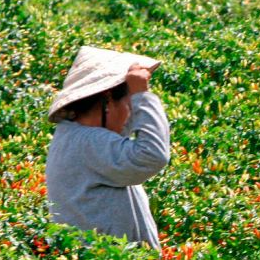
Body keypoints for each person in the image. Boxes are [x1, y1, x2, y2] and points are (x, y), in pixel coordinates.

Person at [45, 46, 170, 249]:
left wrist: (135, 95)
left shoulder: (73, 135)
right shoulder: (89, 143)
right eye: (129, 104)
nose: (131, 113)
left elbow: (122, 124)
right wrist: (142, 96)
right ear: (107, 100)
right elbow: (153, 154)